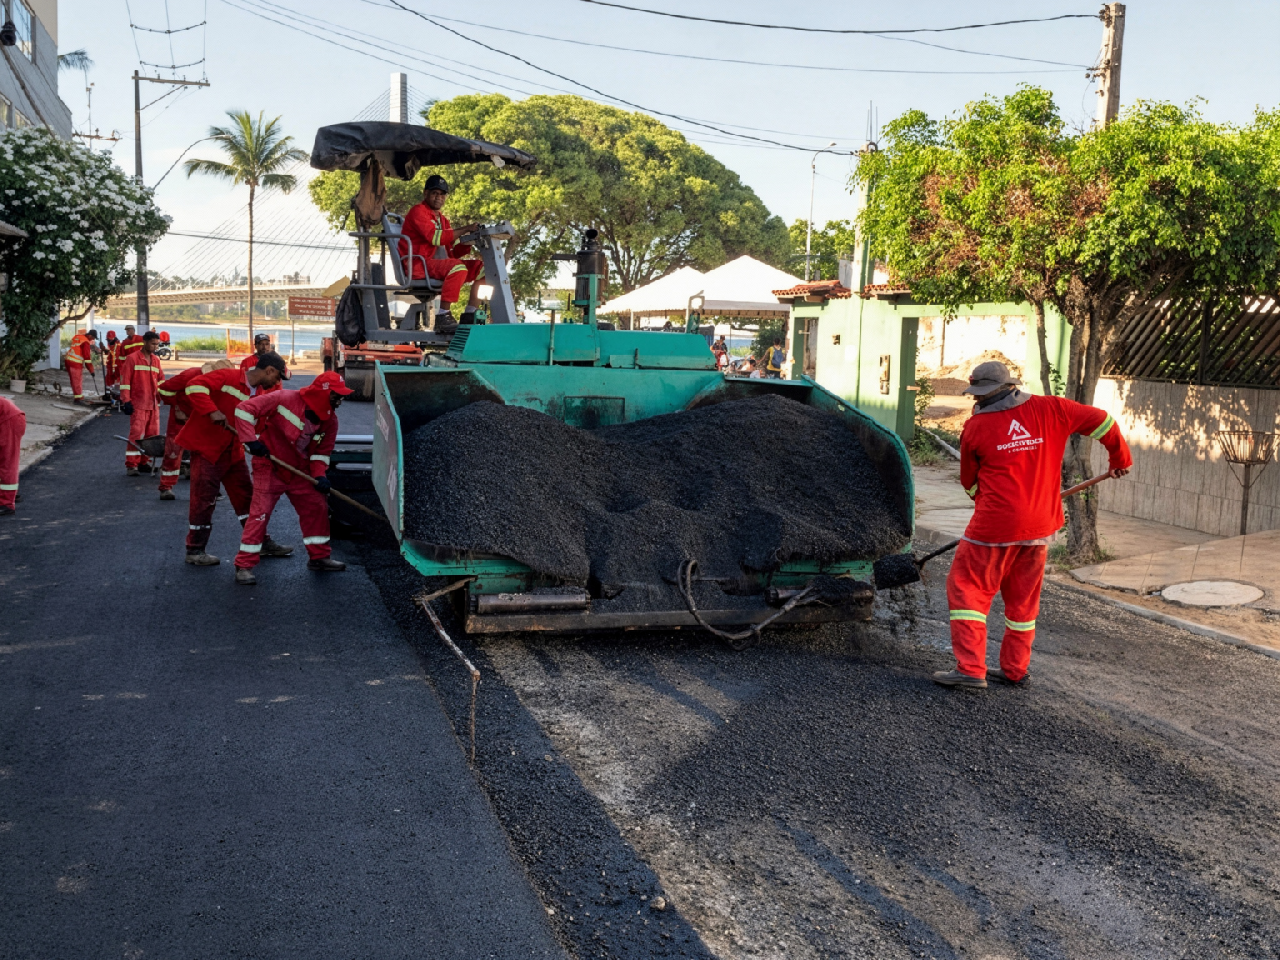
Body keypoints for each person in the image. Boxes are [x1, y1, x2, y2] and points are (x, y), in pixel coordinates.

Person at [933, 361, 1132, 690]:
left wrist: (988, 505)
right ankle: (1014, 669)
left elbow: (969, 482)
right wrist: (1119, 458)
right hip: (1040, 527)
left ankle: (970, 668)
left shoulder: (977, 428)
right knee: (1022, 602)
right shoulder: (1052, 409)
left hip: (993, 527)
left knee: (967, 589)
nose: (975, 402)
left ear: (990, 392)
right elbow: (1103, 421)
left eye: (978, 396)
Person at [232, 371, 352, 585]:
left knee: (316, 506)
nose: (340, 400)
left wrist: (319, 476)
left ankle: (319, 558)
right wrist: (250, 441)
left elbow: (320, 454)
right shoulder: (284, 399)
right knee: (260, 513)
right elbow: (243, 410)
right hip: (270, 465)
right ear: (323, 393)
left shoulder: (330, 421)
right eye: (336, 395)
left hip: (300, 470)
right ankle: (244, 565)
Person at [177, 353, 292, 566]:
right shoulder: (227, 377)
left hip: (232, 451)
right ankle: (194, 550)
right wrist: (212, 411)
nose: (277, 383)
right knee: (204, 499)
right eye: (277, 377)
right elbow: (194, 387)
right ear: (269, 370)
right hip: (208, 448)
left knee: (246, 498)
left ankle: (260, 542)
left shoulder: (258, 393)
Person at [398, 174, 485, 336]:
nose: (439, 197)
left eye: (442, 194)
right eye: (434, 193)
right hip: (421, 265)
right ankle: (442, 316)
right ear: (426, 194)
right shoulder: (418, 212)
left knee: (485, 269)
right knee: (457, 268)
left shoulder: (443, 220)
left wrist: (468, 243)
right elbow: (435, 237)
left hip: (437, 265)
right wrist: (466, 229)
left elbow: (450, 252)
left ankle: (470, 313)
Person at [156, 360, 233, 500]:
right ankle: (166, 487)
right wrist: (177, 407)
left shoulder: (226, 384)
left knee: (206, 454)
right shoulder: (190, 375)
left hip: (202, 417)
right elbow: (163, 389)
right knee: (173, 451)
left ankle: (208, 488)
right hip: (181, 416)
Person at [118, 331, 164, 476]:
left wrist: (166, 396)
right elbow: (125, 382)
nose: (155, 347)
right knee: (137, 435)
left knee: (152, 435)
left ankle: (144, 462)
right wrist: (126, 400)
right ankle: (132, 465)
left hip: (153, 405)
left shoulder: (156, 360)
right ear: (144, 342)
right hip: (138, 404)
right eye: (153, 344)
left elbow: (161, 381)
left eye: (157, 344)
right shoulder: (132, 359)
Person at [0, 393, 24, 516]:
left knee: (7, 462)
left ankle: (7, 504)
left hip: (10, 421)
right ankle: (10, 493)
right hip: (7, 418)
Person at [64, 328, 97, 403]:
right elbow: (87, 358)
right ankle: (78, 398)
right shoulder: (85, 343)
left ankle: (77, 396)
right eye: (93, 338)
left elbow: (77, 348)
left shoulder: (79, 338)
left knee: (73, 380)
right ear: (90, 336)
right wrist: (91, 370)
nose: (92, 340)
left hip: (68, 360)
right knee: (77, 380)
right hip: (75, 362)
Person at [101, 330, 121, 396]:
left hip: (116, 369)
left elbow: (116, 356)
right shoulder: (112, 345)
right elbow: (110, 352)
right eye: (108, 340)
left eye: (109, 340)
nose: (108, 342)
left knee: (116, 384)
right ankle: (109, 394)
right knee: (109, 382)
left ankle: (114, 395)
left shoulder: (118, 346)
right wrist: (104, 350)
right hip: (111, 368)